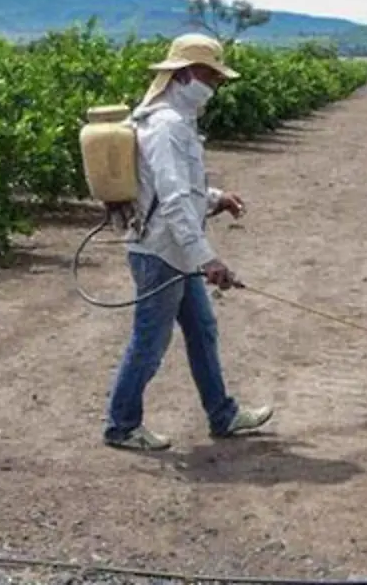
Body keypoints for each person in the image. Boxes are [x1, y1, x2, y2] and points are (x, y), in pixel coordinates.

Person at [102, 33, 274, 451]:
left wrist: (216, 199)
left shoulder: (176, 122)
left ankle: (223, 414)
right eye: (210, 76)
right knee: (150, 341)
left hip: (175, 250)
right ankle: (121, 426)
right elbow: (174, 198)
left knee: (202, 329)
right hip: (161, 251)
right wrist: (208, 258)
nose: (214, 85)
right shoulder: (166, 126)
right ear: (182, 75)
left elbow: (180, 189)